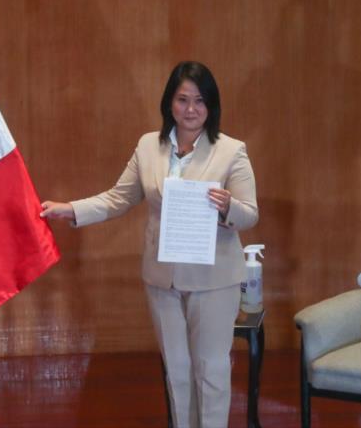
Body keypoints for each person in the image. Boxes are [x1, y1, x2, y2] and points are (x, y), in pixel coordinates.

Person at [40, 61, 258, 428]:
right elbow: (117, 198)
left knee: (211, 370)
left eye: (200, 101)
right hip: (162, 279)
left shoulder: (231, 151)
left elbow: (250, 214)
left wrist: (228, 207)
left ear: (212, 106)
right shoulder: (147, 146)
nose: (191, 110)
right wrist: (70, 209)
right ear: (169, 103)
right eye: (183, 99)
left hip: (214, 278)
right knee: (177, 370)